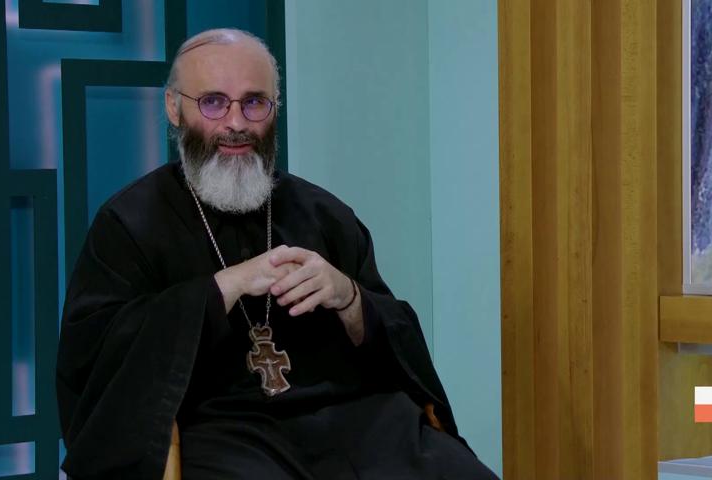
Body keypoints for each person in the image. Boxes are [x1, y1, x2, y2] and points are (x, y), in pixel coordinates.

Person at [56, 28, 498, 480]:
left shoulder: (324, 214)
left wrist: (349, 297)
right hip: (222, 430)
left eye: (254, 102)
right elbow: (96, 357)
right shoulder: (129, 224)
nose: (236, 123)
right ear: (174, 107)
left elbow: (399, 343)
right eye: (213, 102)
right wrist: (219, 290)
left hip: (355, 420)